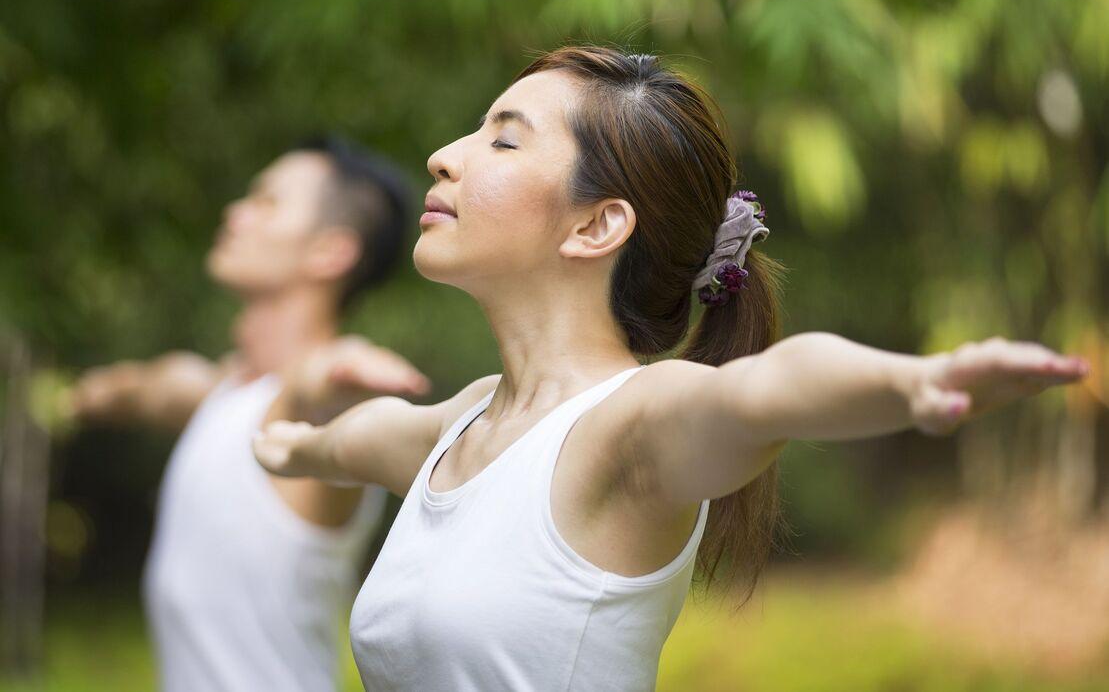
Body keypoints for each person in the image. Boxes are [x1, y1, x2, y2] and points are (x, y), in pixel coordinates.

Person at [253, 47, 1091, 691]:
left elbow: (765, 392)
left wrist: (914, 380)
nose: (445, 155)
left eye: (502, 139)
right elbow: (367, 440)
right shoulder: (468, 422)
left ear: (595, 227)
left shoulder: (630, 424)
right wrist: (293, 446)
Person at [70, 137, 431, 692]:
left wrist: (343, 373)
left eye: (266, 202)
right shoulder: (224, 395)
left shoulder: (308, 414)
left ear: (330, 252)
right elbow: (153, 387)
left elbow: (317, 392)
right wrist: (92, 394)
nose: (235, 213)